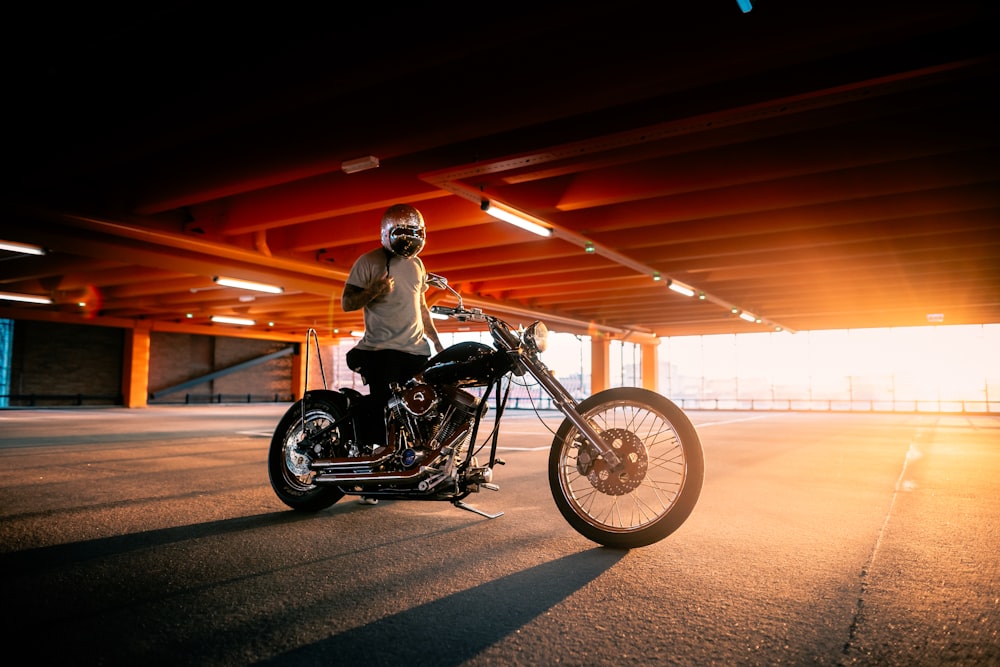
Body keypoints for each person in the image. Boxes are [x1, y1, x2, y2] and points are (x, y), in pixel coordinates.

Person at [342, 204, 444, 499]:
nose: (410, 238)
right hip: (380, 349)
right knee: (383, 409)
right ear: (387, 233)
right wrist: (373, 290)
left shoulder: (418, 265)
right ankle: (372, 477)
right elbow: (347, 303)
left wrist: (436, 341)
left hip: (416, 351)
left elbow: (421, 307)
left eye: (415, 232)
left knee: (423, 408)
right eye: (403, 232)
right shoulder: (369, 260)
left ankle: (412, 466)